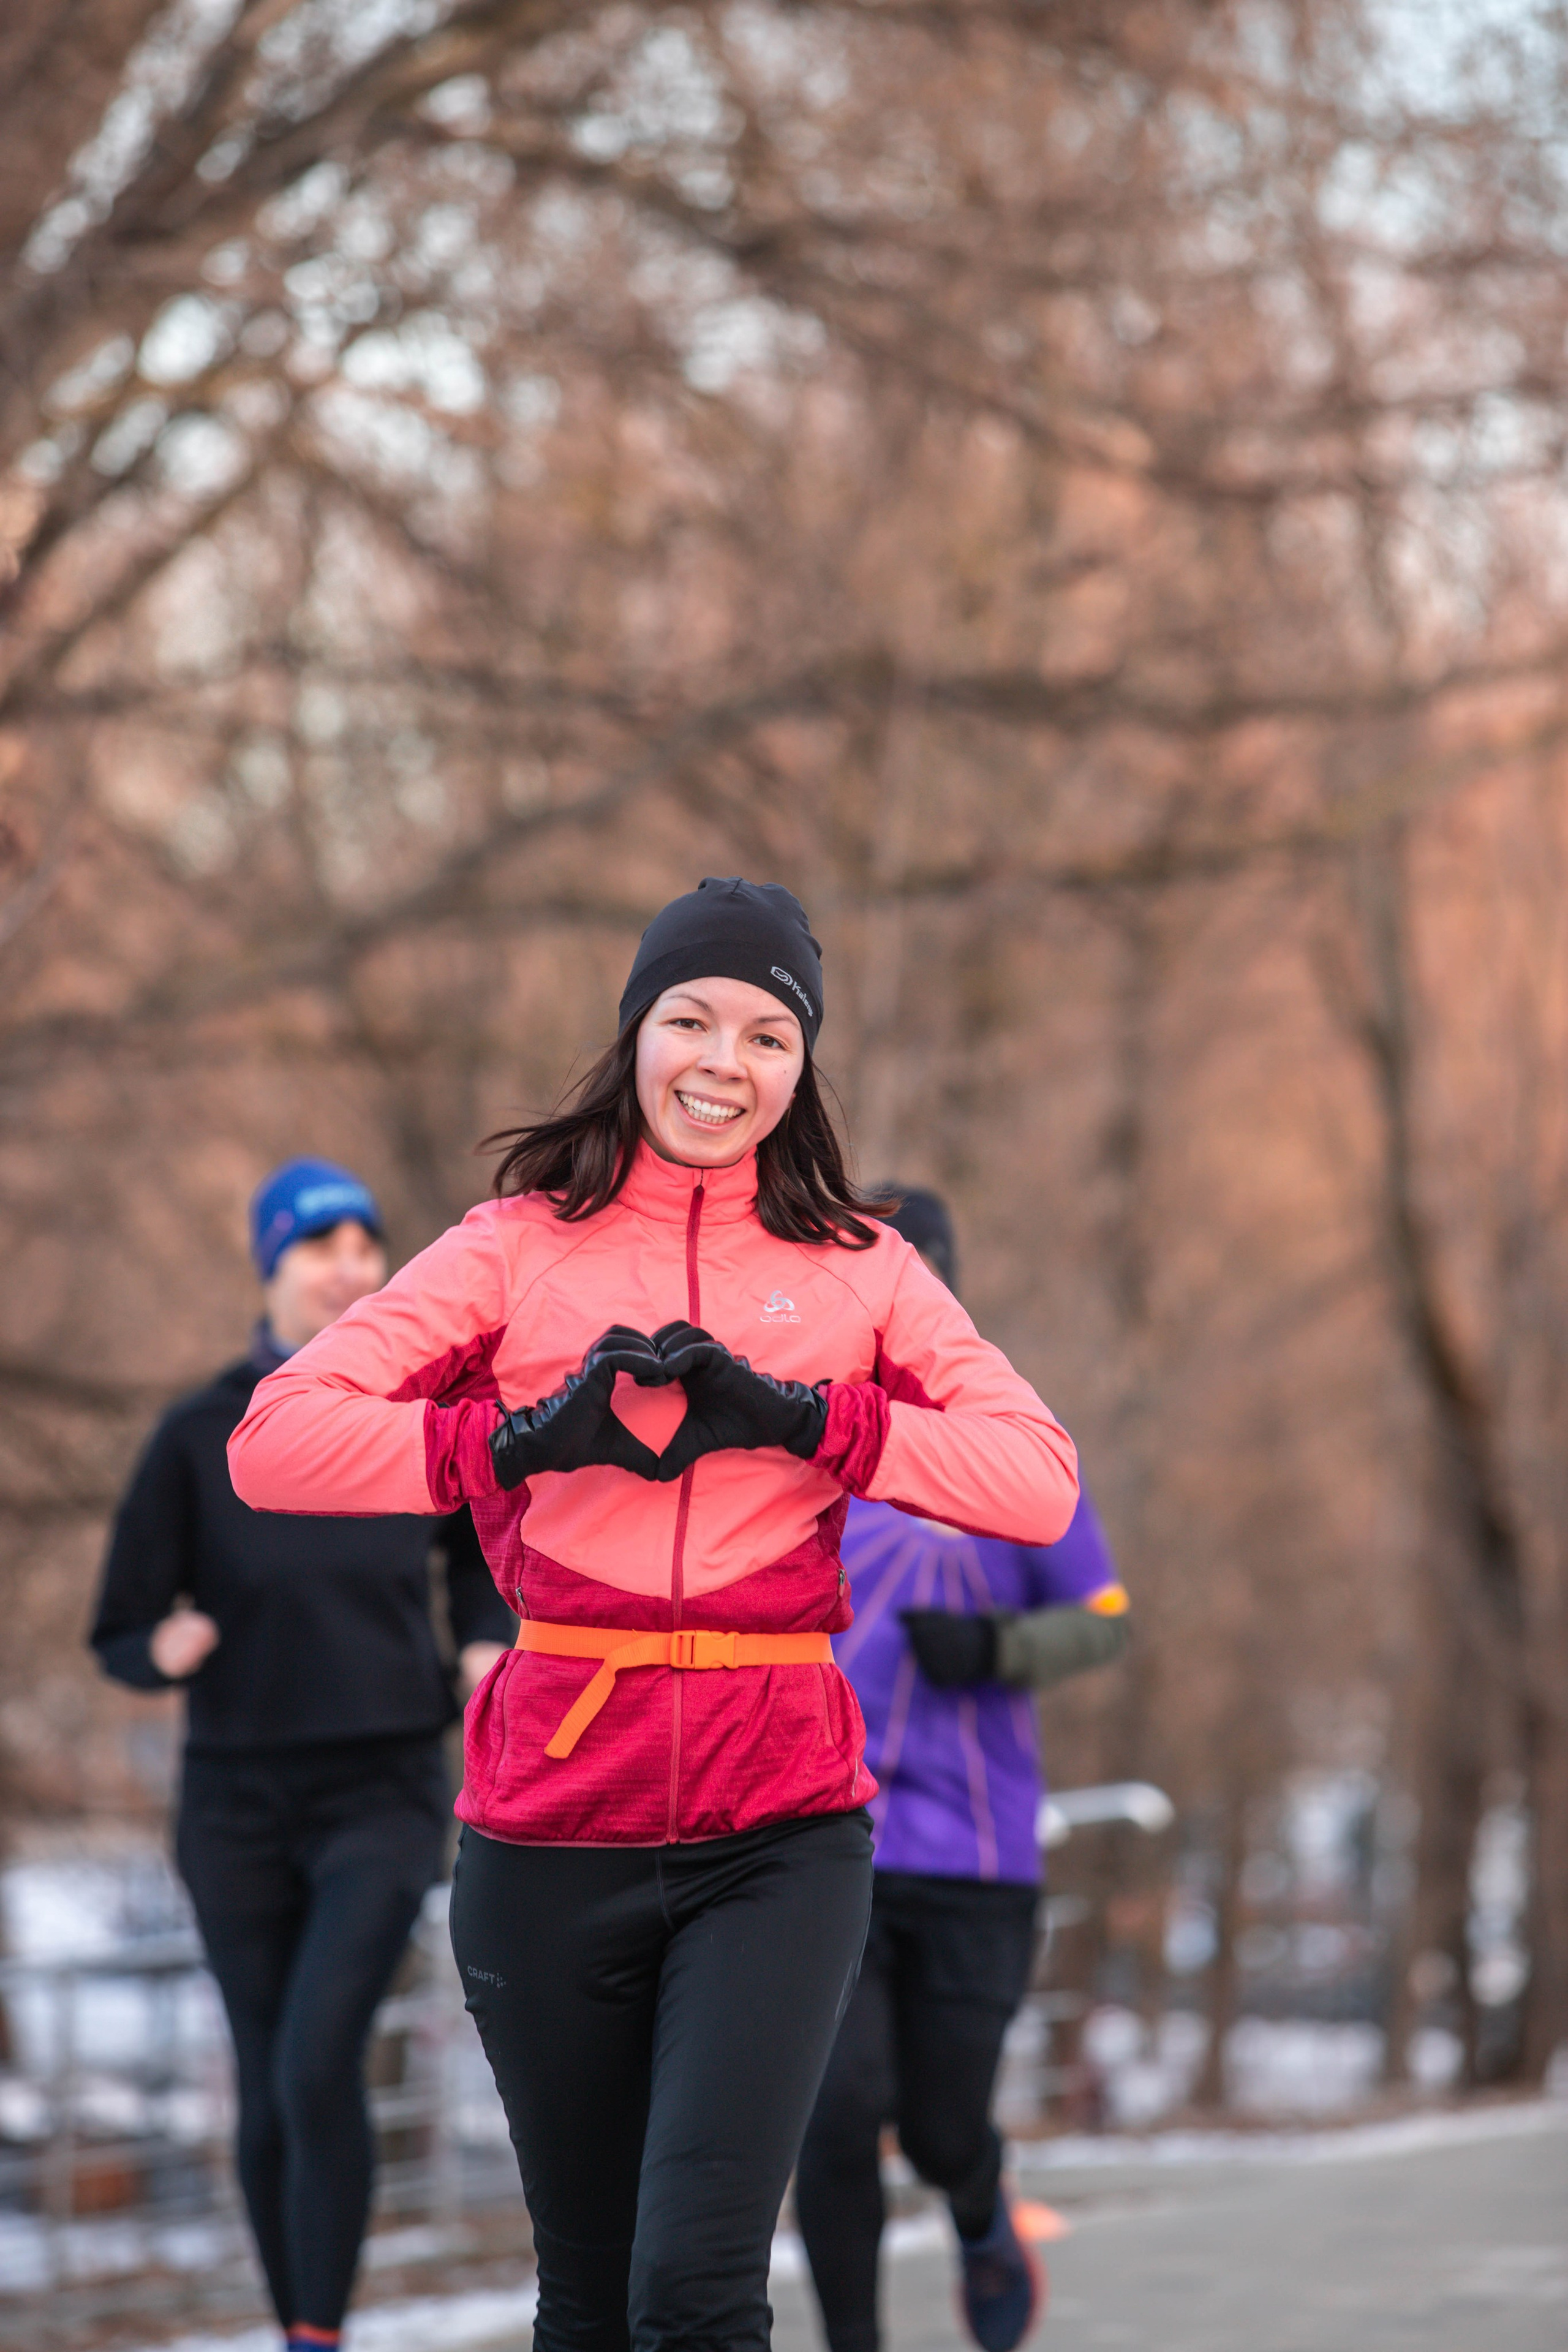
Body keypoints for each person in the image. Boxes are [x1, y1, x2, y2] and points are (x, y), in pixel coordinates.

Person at [227, 878, 1082, 2352]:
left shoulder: (863, 1271)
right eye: (687, 1019)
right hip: (555, 1811)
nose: (721, 1061)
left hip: (779, 1824)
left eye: (765, 1032)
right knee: (591, 2298)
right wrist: (500, 1445)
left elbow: (1039, 1486)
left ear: (801, 1064)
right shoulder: (511, 1248)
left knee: (695, 2293)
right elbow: (274, 1443)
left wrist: (823, 1422)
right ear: (633, 1033)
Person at [90, 1158, 515, 2352]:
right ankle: (300, 2328)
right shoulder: (197, 1433)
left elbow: (484, 1558)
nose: (349, 1270)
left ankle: (316, 2330)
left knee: (320, 2053)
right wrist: (159, 1647)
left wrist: (487, 1644)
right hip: (232, 1803)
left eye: (365, 1247)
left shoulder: (419, 1413)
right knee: (270, 2070)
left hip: (381, 1791)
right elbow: (118, 1624)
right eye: (319, 1248)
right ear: (270, 1268)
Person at [795, 1188, 1129, 2352]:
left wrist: (998, 1648)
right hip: (827, 1844)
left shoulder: (1013, 1448)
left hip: (980, 1857)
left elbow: (1104, 1617)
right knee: (831, 2116)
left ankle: (981, 2212)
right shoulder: (805, 1448)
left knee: (941, 2131)